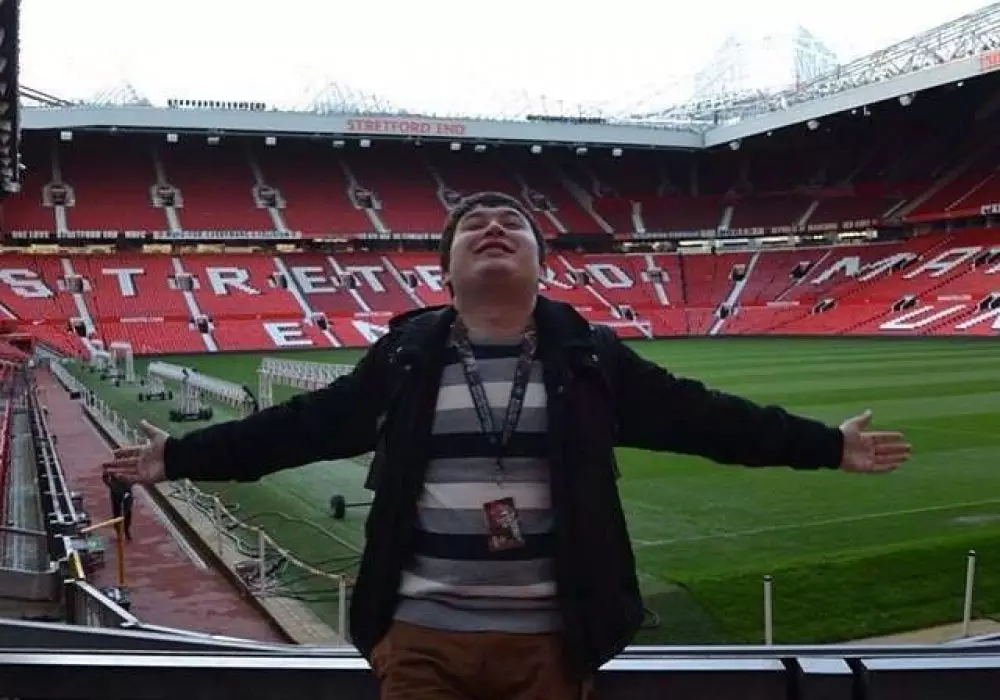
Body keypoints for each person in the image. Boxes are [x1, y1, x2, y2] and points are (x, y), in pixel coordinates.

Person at [103, 191, 911, 700]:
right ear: (444, 270)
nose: (494, 227)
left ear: (541, 265)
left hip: (550, 643)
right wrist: (179, 457)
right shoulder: (406, 357)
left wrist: (825, 446)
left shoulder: (590, 357)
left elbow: (705, 418)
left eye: (513, 223)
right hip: (421, 639)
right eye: (473, 226)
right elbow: (302, 426)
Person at [102, 469, 133, 541]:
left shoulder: (126, 475)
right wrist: (106, 475)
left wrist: (128, 492)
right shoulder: (113, 479)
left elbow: (131, 481)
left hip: (126, 499)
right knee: (117, 516)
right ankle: (119, 533)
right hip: (117, 499)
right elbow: (106, 479)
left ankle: (126, 531)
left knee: (127, 516)